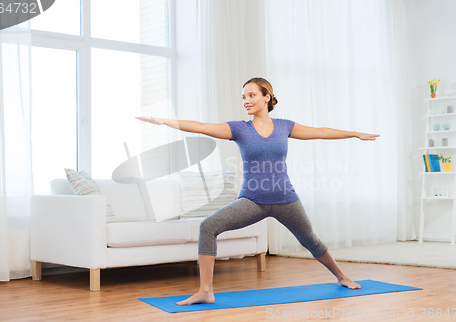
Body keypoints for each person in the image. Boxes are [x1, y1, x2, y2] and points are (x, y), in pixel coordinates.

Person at [136, 77, 380, 306]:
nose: (246, 101)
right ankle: (206, 291)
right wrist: (165, 121)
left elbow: (322, 132)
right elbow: (201, 127)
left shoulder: (284, 126)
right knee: (208, 226)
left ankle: (340, 276)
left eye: (252, 95)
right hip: (253, 200)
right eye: (244, 97)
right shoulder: (239, 129)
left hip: (286, 199)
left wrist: (355, 134)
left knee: (311, 241)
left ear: (267, 97)